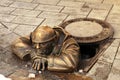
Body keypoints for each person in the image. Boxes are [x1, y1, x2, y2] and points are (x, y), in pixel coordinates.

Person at [12, 26, 80, 72]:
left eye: (42, 44)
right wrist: (32, 53)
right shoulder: (37, 36)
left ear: (54, 40)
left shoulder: (69, 42)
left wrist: (45, 60)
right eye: (35, 43)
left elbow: (70, 63)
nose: (37, 47)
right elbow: (16, 43)